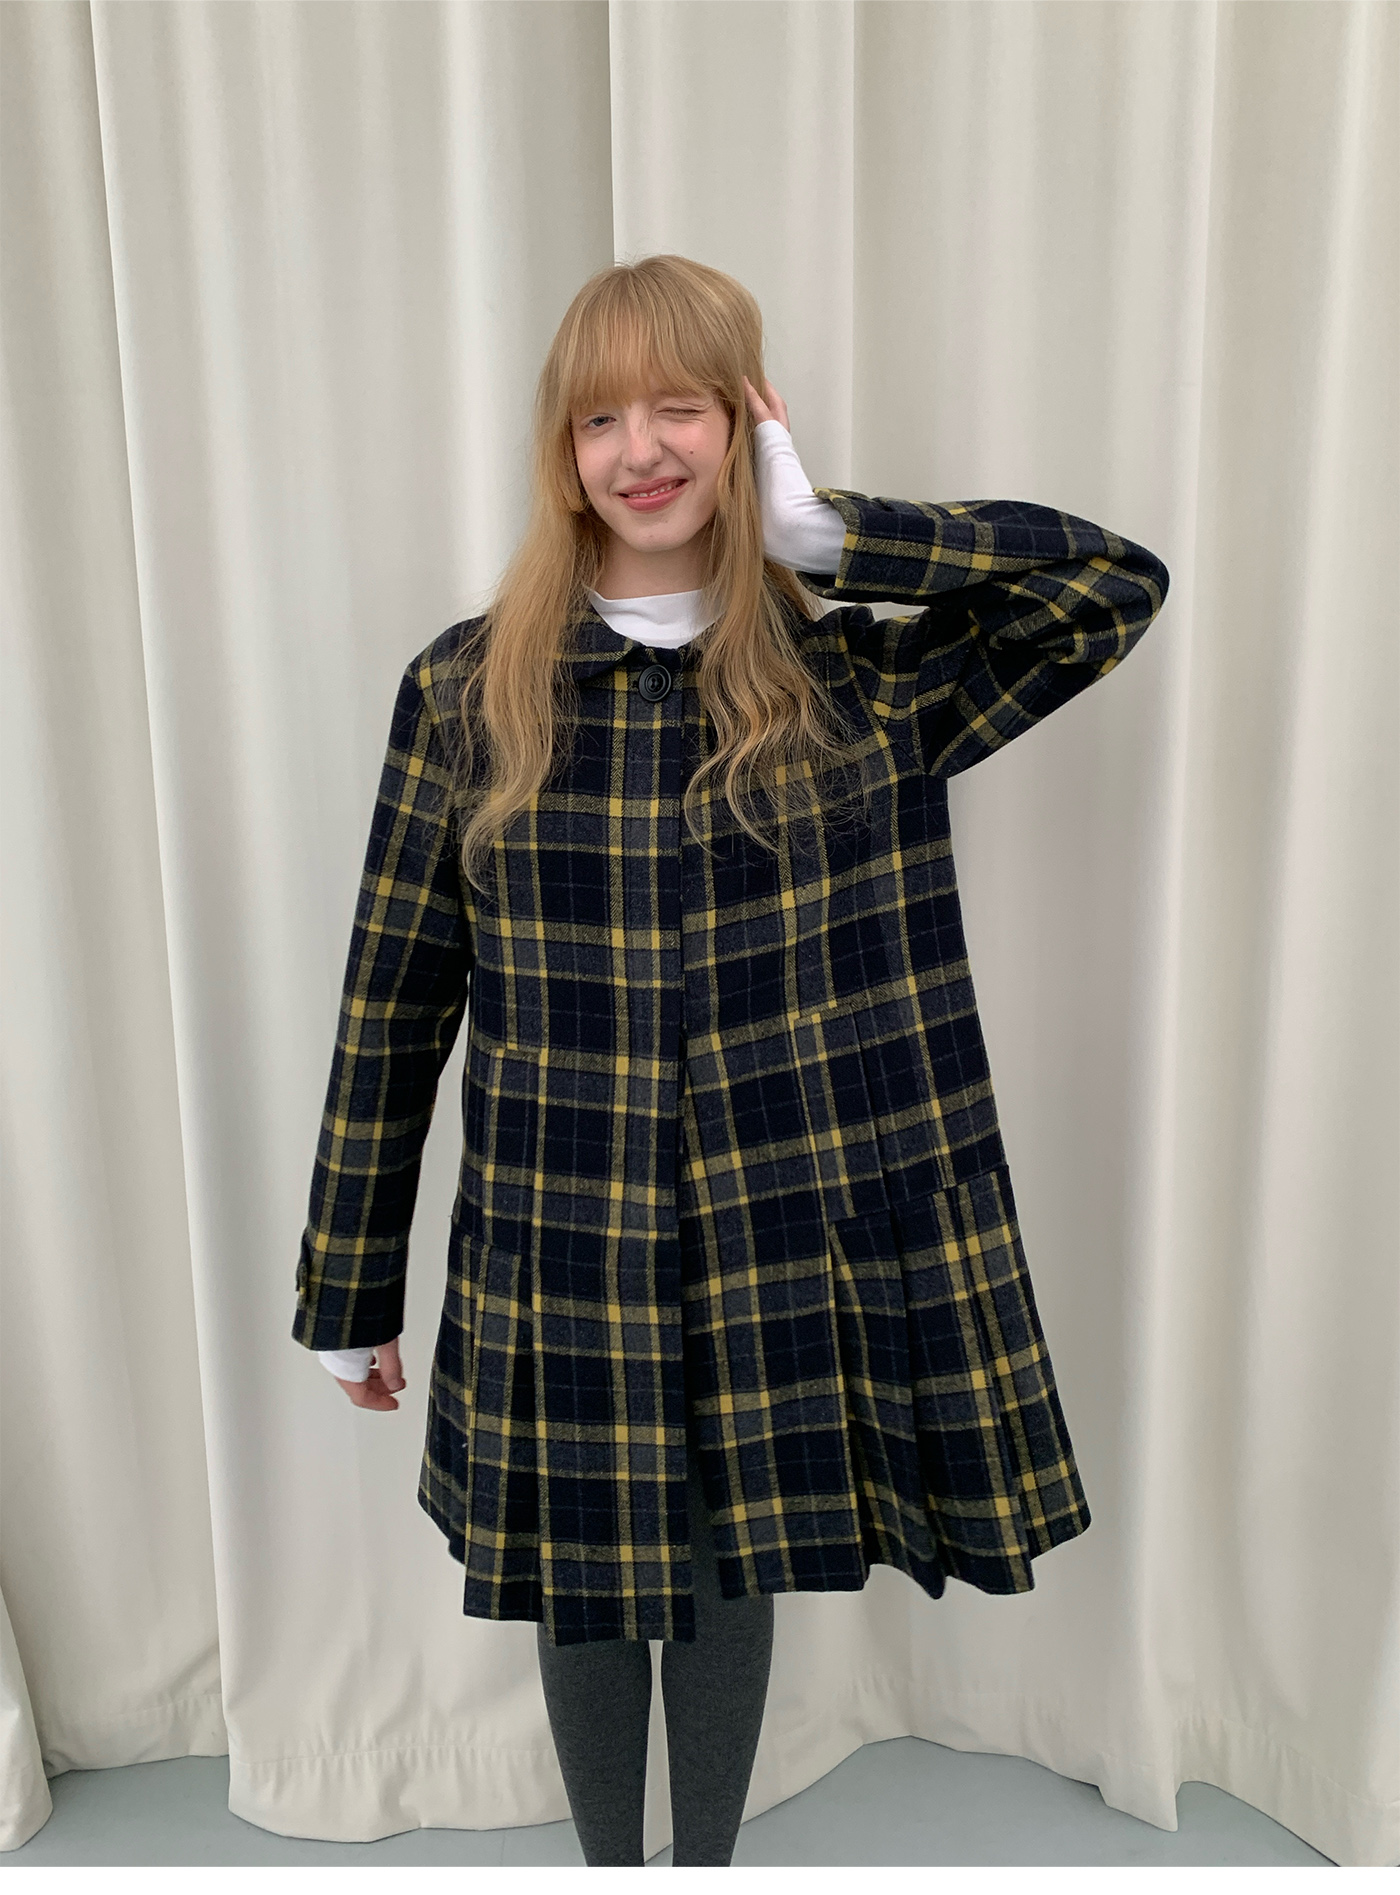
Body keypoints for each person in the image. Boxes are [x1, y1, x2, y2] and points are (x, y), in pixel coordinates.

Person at [292, 253, 1169, 1867]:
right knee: (577, 1577)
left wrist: (838, 539)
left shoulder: (861, 679)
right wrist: (350, 1285)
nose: (640, 450)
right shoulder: (468, 691)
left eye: (678, 408)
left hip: (784, 1227)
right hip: (561, 1230)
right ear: (561, 452)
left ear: (743, 423)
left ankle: (703, 1870)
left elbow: (1112, 587)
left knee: (725, 1563)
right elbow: (394, 997)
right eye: (598, 419)